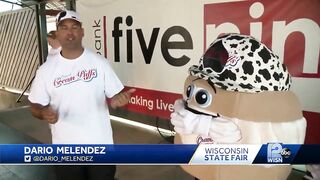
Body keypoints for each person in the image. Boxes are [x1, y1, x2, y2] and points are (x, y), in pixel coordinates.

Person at [28, 10, 134, 180]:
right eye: (64, 28)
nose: (69, 32)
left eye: (74, 27)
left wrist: (117, 102)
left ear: (82, 31)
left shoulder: (100, 63)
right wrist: (43, 112)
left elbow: (116, 98)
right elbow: (34, 105)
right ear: (57, 33)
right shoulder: (45, 71)